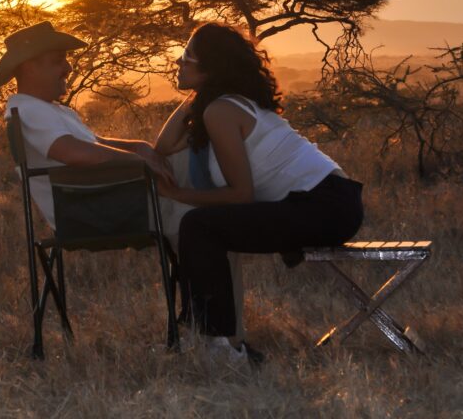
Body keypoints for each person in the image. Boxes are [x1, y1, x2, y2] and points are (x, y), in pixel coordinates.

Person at [154, 22, 364, 359]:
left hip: (324, 205)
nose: (178, 63)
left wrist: (178, 196)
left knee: (197, 225)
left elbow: (240, 195)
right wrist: (196, 94)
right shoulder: (223, 104)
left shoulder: (222, 110)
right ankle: (218, 340)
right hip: (332, 202)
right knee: (201, 225)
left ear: (211, 67)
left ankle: (220, 345)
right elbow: (163, 146)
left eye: (186, 57)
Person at [0, 21, 172, 229]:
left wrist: (137, 147)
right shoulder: (29, 109)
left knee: (181, 168)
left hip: (101, 199)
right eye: (58, 60)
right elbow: (75, 153)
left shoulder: (45, 109)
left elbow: (96, 144)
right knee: (196, 213)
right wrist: (138, 160)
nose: (68, 67)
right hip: (96, 207)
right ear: (29, 67)